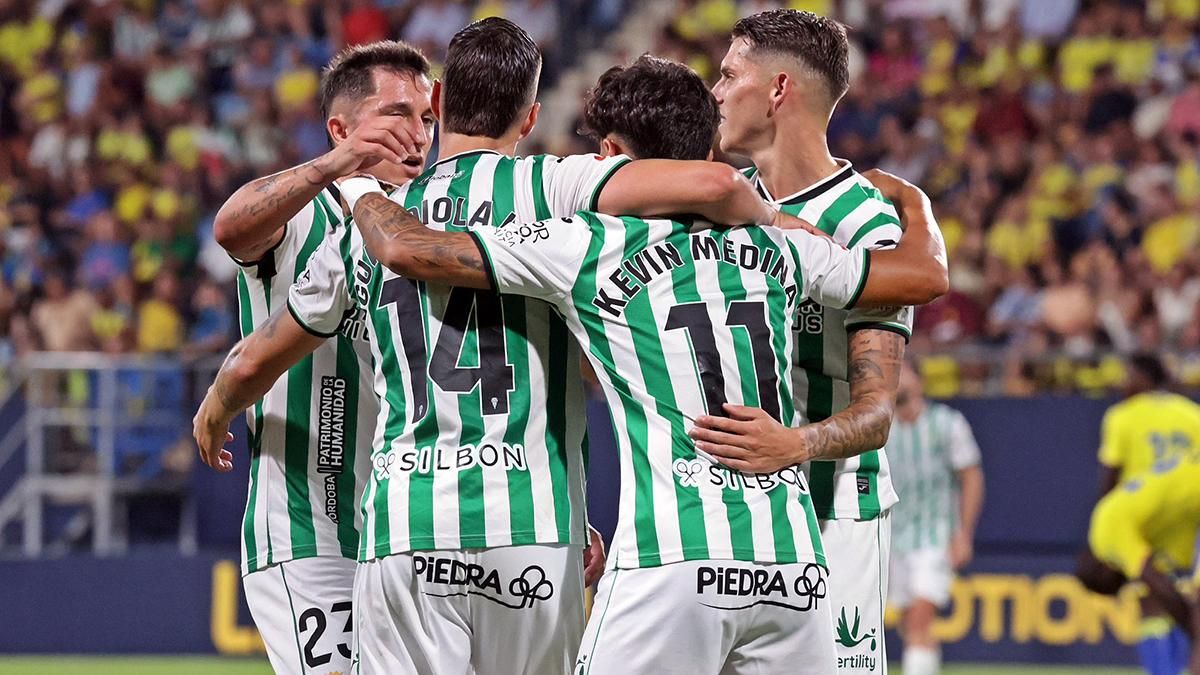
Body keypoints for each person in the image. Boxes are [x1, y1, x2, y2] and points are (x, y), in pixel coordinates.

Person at [197, 18, 824, 674]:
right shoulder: (557, 193)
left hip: (409, 521)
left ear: (438, 107)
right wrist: (793, 236)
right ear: (529, 118)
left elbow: (257, 356)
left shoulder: (369, 225)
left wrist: (215, 409)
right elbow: (704, 186)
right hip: (535, 527)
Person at [337, 54, 946, 674]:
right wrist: (917, 208)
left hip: (673, 557)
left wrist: (356, 181)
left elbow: (409, 248)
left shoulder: (587, 244)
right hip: (794, 569)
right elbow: (921, 277)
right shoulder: (786, 247)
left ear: (609, 152)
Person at [690, 11, 948, 672]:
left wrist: (793, 445)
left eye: (728, 75)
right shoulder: (719, 203)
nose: (714, 92)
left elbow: (877, 411)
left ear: (778, 91)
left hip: (834, 514)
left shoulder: (867, 221)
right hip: (728, 510)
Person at [192, 40, 433, 675]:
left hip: (405, 535)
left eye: (428, 119)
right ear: (340, 127)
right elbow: (231, 227)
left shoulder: (432, 227)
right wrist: (333, 167)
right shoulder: (305, 212)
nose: (417, 135)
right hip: (306, 531)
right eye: (398, 114)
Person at [1088, 353, 1200, 675]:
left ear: (1143, 377)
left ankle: (1165, 669)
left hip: (1141, 515)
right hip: (1184, 518)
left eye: (1128, 375)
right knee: (1182, 591)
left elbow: (1111, 475)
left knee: (1150, 602)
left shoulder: (1122, 415)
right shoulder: (1191, 413)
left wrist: (1105, 524)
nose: (1122, 382)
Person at [885, 361, 985, 675]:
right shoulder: (881, 427)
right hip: (891, 537)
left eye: (903, 373)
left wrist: (964, 533)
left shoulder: (947, 423)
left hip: (935, 536)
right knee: (911, 624)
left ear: (920, 381)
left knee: (920, 617)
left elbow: (971, 477)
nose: (896, 381)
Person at [1089, 457, 1200, 675]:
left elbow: (1160, 586)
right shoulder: (1150, 524)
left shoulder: (1106, 530)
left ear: (1107, 569)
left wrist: (1192, 630)